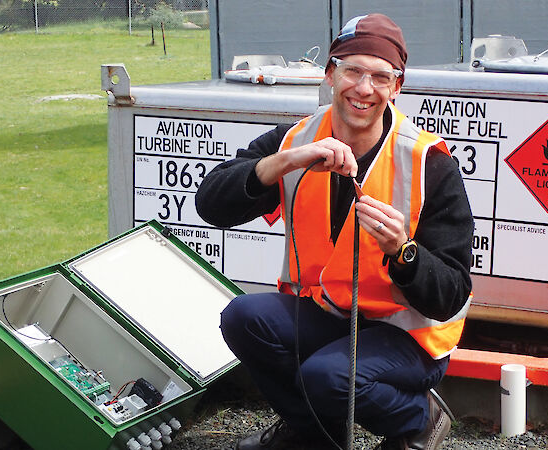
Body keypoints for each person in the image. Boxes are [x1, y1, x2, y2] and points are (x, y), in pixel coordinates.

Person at [195, 13, 473, 450]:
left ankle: (420, 420)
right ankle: (313, 435)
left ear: (396, 87)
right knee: (243, 318)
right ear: (329, 74)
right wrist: (283, 163)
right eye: (353, 70)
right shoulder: (296, 141)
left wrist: (404, 251)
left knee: (327, 376)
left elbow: (453, 292)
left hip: (408, 337)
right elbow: (210, 204)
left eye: (380, 76)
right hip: (330, 316)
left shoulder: (428, 163)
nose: (364, 88)